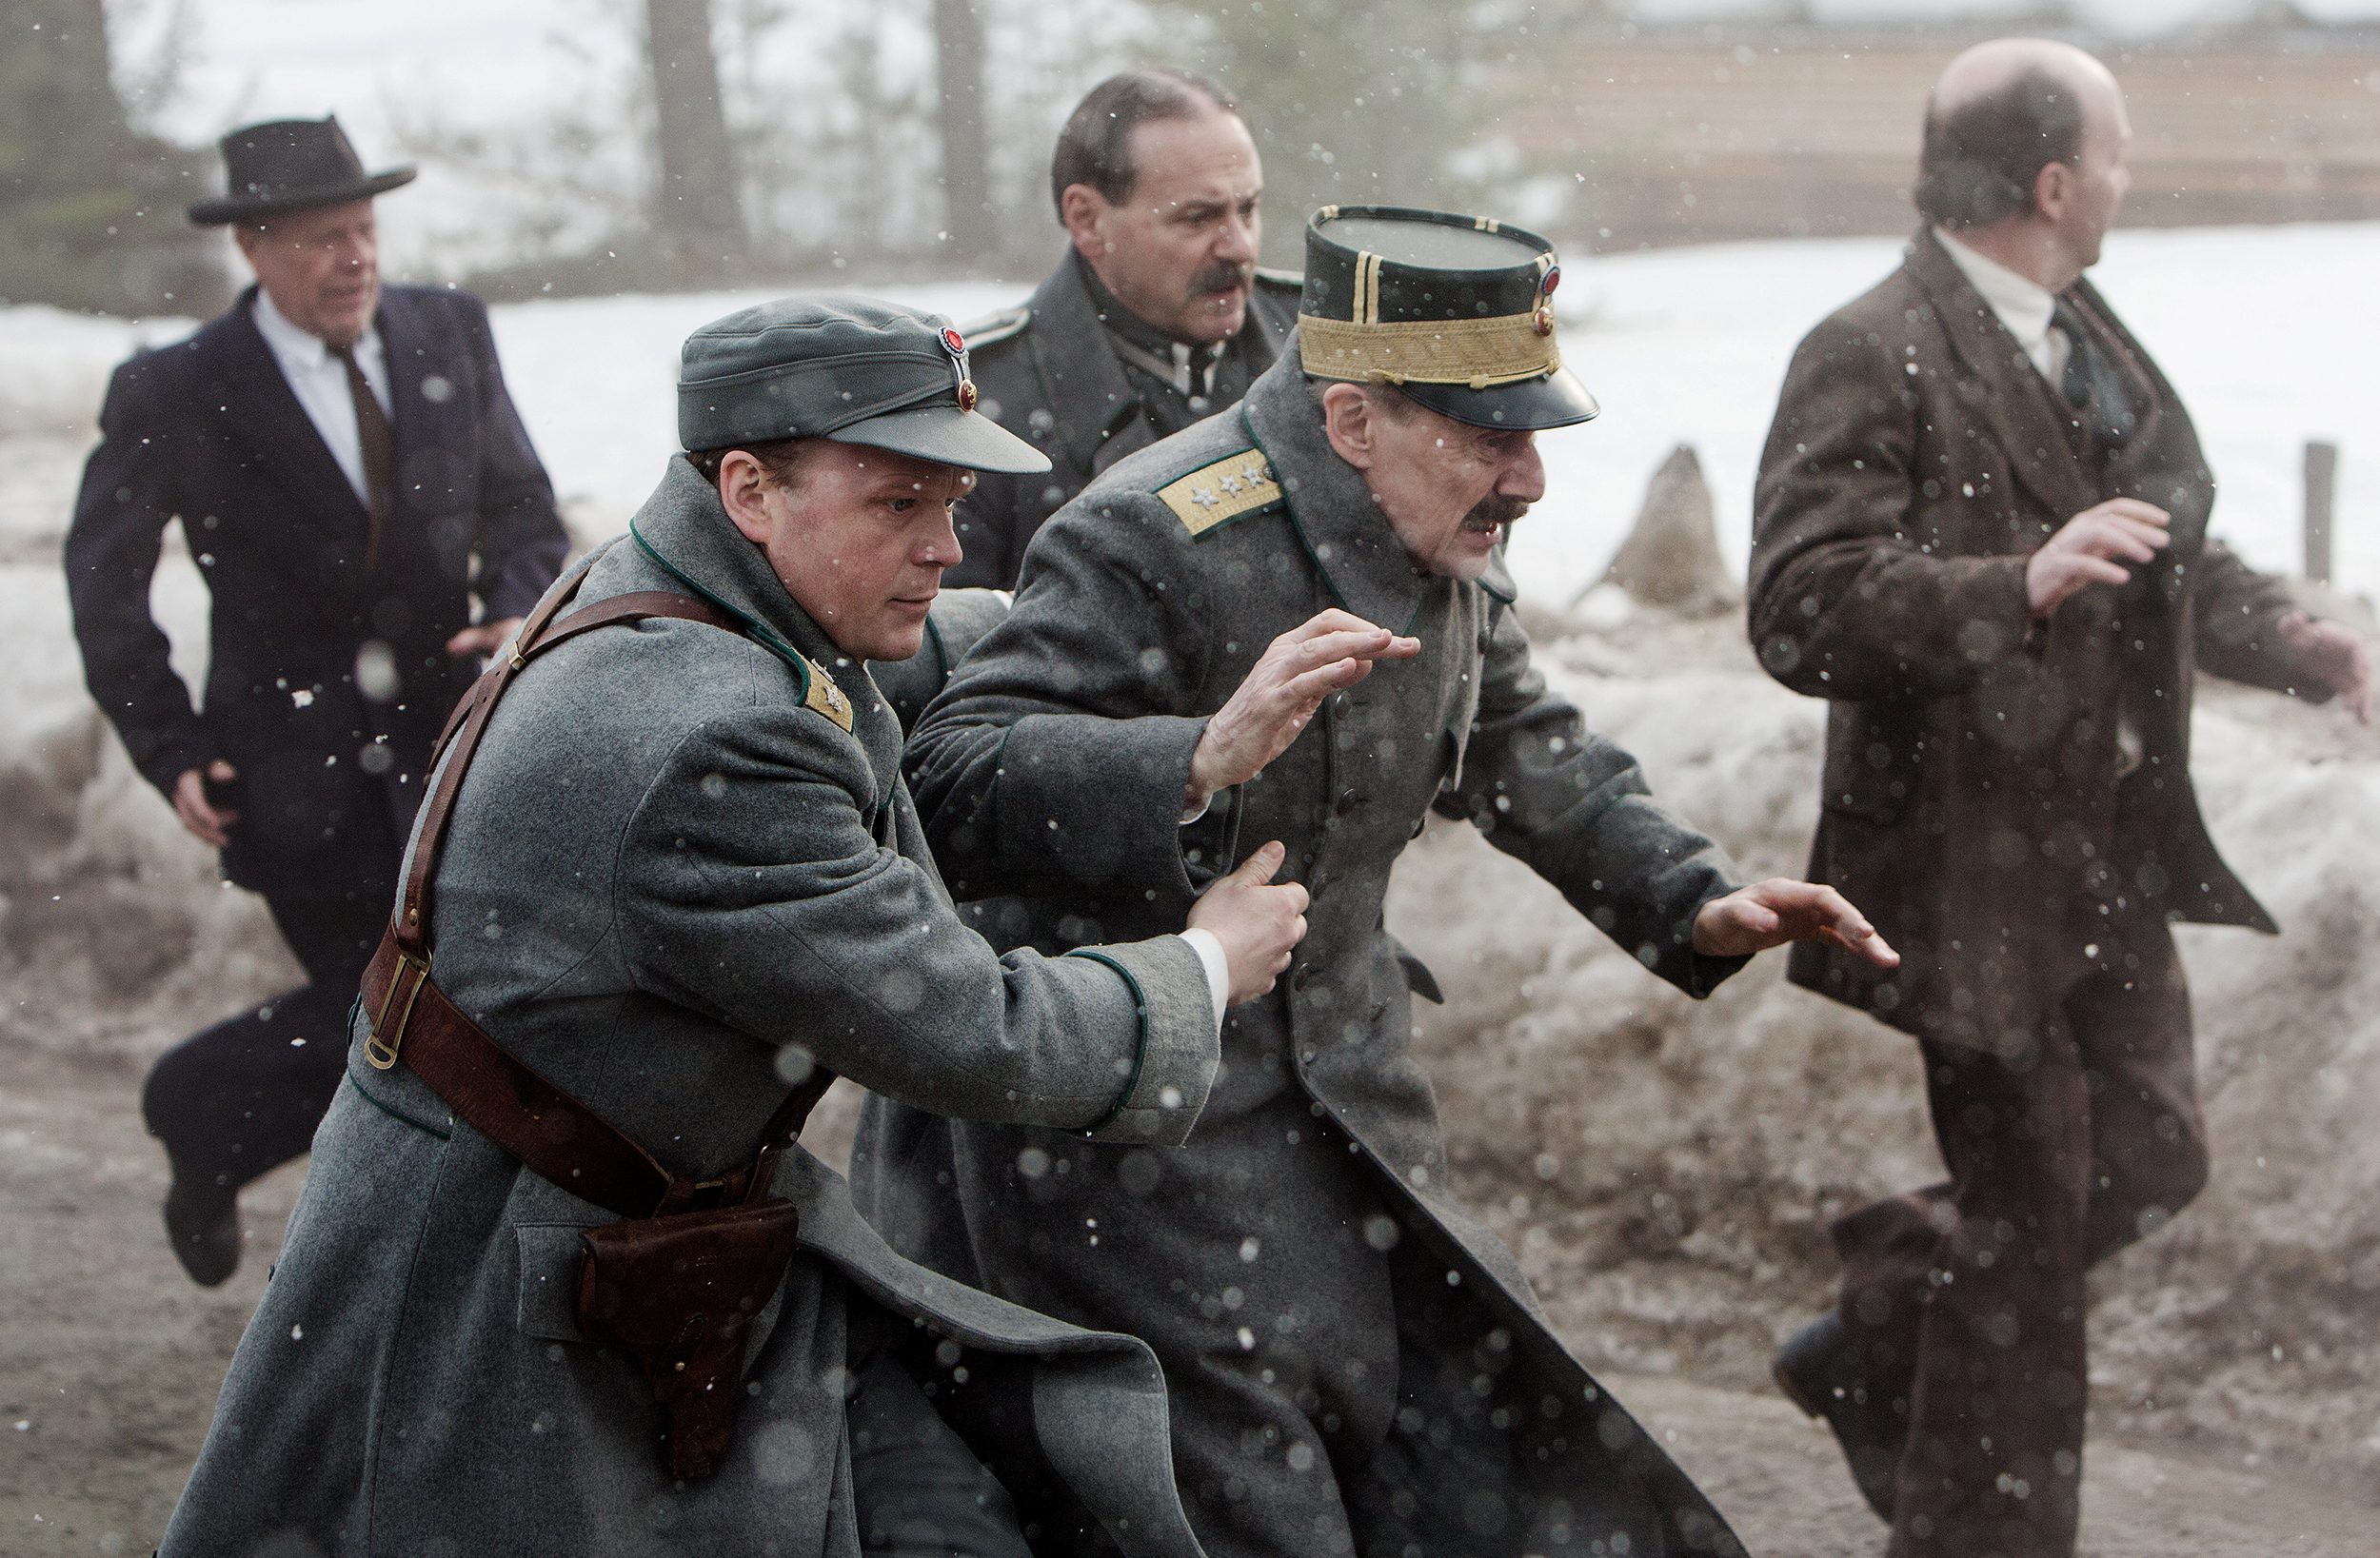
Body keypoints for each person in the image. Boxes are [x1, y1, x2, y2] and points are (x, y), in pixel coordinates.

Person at [157, 296, 1313, 1557]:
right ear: (751, 490)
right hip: (500, 1290)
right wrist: (1206, 963)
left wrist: (1120, 634)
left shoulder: (669, 581)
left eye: (949, 502)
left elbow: (882, 662)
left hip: (587, 1233)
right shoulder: (714, 741)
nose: (942, 544)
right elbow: (980, 1031)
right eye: (899, 504)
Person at [861, 206, 1901, 1558]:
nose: (1530, 480)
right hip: (1137, 1144)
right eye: (1491, 438)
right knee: (1246, 1500)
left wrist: (1689, 896)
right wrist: (1194, 756)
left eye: (1535, 436)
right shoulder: (1151, 534)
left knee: (1469, 1470)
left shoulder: (1443, 523)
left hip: (1349, 1106)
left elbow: (1518, 738)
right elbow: (951, 774)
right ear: (1353, 421)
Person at [1747, 39, 2370, 1558]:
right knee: (2027, 1238)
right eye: (2117, 151)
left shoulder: (2087, 332)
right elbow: (1799, 606)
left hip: (2105, 855)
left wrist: (2306, 645)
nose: (2127, 177)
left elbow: (2167, 553)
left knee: (2154, 1150)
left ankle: (1880, 1325)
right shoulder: (1868, 345)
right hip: (1967, 871)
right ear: (2050, 182)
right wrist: (2008, 588)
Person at [62, 115, 570, 1286]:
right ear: (252, 247)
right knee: (409, 1027)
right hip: (295, 772)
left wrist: (515, 609)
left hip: (455, 748)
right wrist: (168, 742)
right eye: (322, 238)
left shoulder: (448, 329)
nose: (356, 258)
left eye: (365, 229)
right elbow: (104, 585)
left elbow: (523, 508)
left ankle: (210, 1112)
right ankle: (389, 1271)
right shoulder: (178, 388)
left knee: (445, 1020)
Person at [943, 68, 1301, 589]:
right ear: (1088, 221)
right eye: (1197, 218)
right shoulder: (975, 404)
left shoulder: (1322, 345)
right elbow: (953, 631)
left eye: (1248, 209)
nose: (1240, 246)